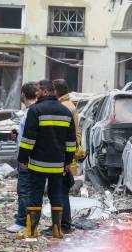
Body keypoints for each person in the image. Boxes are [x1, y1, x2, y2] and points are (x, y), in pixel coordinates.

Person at [18, 80, 77, 239]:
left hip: (37, 164)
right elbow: (71, 143)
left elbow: (28, 139)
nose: (35, 94)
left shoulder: (35, 110)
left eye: (38, 91)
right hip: (57, 166)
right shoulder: (66, 112)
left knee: (35, 196)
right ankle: (57, 230)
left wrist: (23, 158)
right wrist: (67, 162)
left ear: (45, 91)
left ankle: (31, 231)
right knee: (56, 195)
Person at [6, 82, 38, 233]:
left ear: (22, 94)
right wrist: (17, 133)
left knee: (24, 189)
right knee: (29, 189)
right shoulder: (30, 111)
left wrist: (24, 158)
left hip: (27, 157)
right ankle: (28, 221)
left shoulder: (32, 112)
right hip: (30, 156)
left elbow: (30, 137)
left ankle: (22, 221)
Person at [53, 79, 82, 233]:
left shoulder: (64, 107)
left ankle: (63, 224)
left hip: (64, 156)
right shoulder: (69, 105)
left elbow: (66, 134)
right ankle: (63, 223)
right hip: (68, 155)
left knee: (61, 190)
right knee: (62, 190)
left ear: (57, 91)